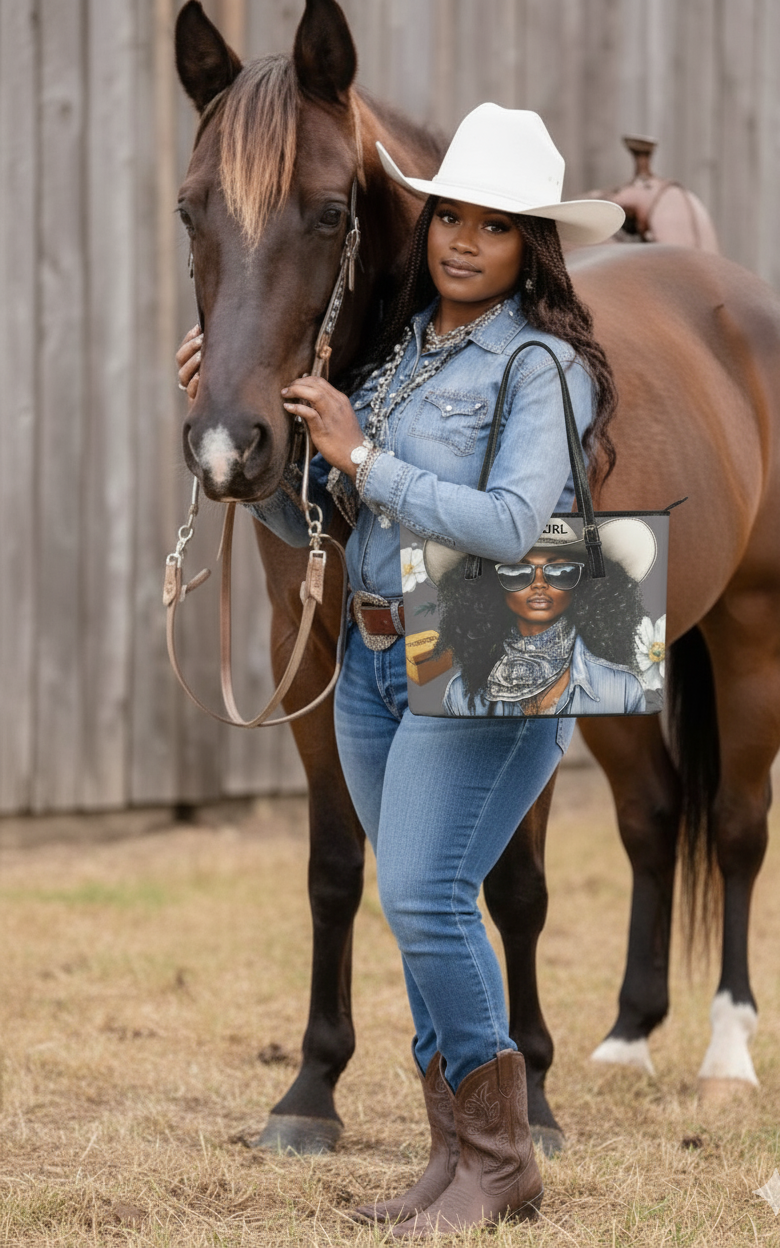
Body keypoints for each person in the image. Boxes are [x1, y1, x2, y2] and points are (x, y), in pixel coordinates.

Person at [177, 103, 624, 1236]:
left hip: (487, 636)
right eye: (449, 218)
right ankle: (452, 1153)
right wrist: (258, 446)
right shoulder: (403, 357)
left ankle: (499, 1156)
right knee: (410, 900)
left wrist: (365, 453)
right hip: (379, 652)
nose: (464, 241)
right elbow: (318, 522)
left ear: (535, 246)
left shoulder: (543, 362)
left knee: (424, 896)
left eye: (498, 226)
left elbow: (521, 524)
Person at [432, 521, 650, 717]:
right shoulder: (460, 693)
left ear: (583, 583)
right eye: (516, 572)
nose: (539, 584)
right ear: (493, 584)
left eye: (560, 571)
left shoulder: (624, 688)